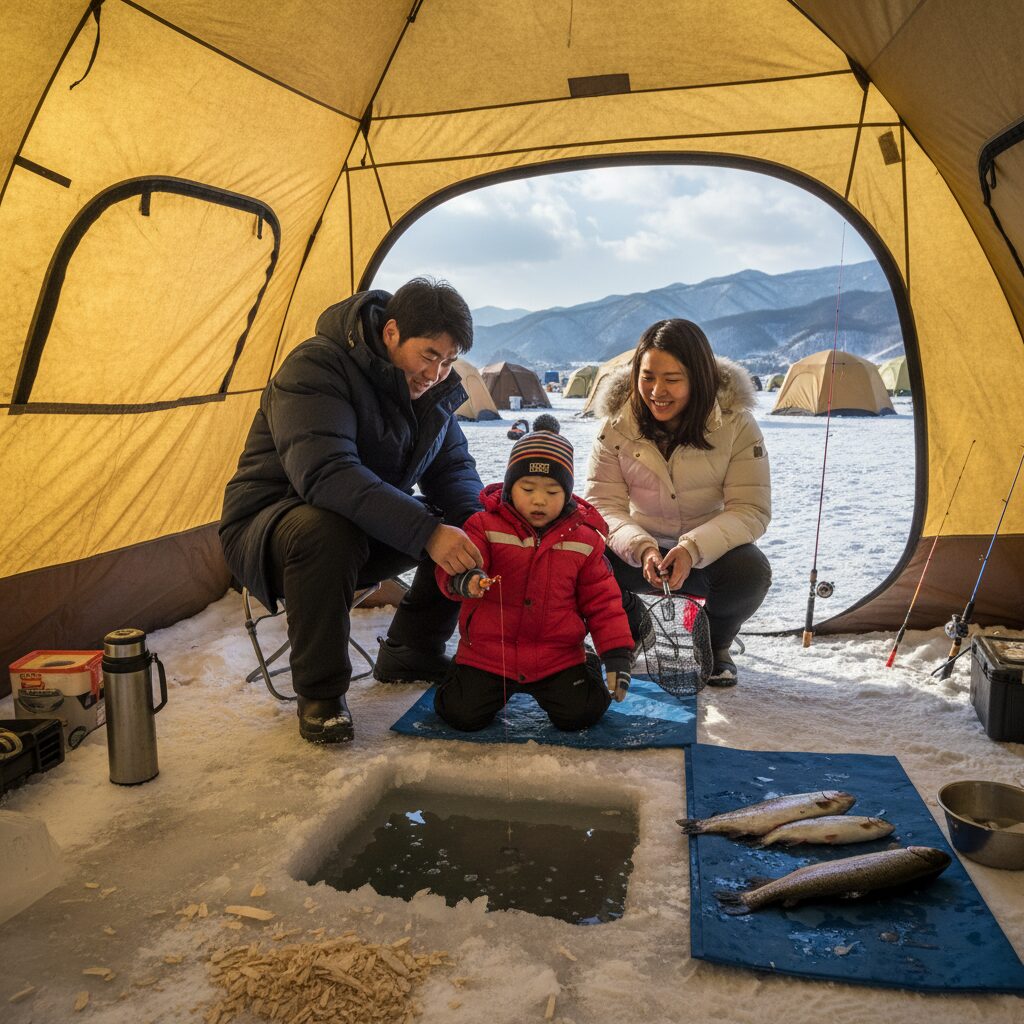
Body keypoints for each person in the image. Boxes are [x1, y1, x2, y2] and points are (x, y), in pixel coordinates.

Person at [219, 277, 485, 744]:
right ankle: (321, 694)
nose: (436, 373)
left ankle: (413, 651)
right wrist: (425, 531)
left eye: (447, 361)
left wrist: (480, 530)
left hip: (359, 527)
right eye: (428, 355)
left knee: (459, 523)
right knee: (328, 528)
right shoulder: (316, 368)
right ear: (391, 332)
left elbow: (455, 470)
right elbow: (326, 475)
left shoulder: (432, 393)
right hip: (271, 528)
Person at [584, 319, 771, 687]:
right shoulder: (615, 426)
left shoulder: (736, 425)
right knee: (583, 557)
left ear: (698, 377)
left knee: (751, 570)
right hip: (639, 555)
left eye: (673, 379)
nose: (657, 391)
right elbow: (602, 506)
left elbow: (750, 509)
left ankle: (715, 644)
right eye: (648, 376)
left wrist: (691, 549)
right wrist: (642, 548)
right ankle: (630, 627)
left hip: (707, 558)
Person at [434, 431, 635, 732]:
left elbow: (603, 602)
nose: (539, 499)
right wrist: (467, 579)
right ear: (509, 489)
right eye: (527, 488)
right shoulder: (483, 527)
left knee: (582, 714)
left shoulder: (584, 540)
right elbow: (455, 565)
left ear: (567, 494)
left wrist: (617, 654)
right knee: (458, 714)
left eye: (552, 492)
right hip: (488, 655)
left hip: (557, 657)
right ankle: (462, 677)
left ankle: (588, 663)